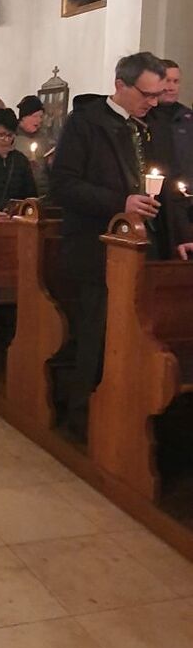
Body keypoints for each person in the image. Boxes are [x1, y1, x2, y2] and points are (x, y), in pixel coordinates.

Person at [50, 51, 167, 440]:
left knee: (134, 336)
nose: (153, 103)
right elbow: (64, 185)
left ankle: (122, 412)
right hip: (95, 248)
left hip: (138, 248)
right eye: (146, 94)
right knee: (95, 335)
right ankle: (82, 418)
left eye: (157, 95)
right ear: (120, 85)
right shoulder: (85, 123)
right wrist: (122, 202)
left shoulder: (147, 126)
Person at [145, 58, 193, 258]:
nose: (171, 87)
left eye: (176, 81)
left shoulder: (187, 118)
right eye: (167, 80)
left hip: (185, 201)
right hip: (157, 202)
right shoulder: (145, 116)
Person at [13, 95, 51, 198]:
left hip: (43, 191)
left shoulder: (44, 138)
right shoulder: (12, 138)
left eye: (41, 117)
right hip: (21, 192)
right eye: (35, 116)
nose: (39, 120)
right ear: (23, 117)